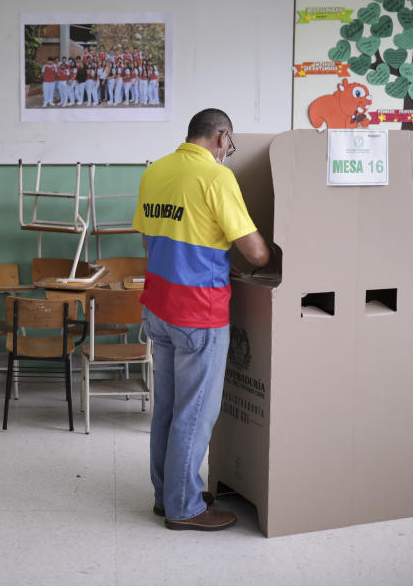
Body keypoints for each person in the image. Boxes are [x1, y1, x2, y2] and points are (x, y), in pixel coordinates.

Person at [133, 108, 269, 532]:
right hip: (198, 314)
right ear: (221, 137)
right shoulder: (216, 176)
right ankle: (185, 508)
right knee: (195, 413)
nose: (228, 150)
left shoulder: (155, 171)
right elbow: (255, 252)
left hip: (159, 307)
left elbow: (151, 238)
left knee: (168, 410)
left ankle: (167, 494)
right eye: (229, 144)